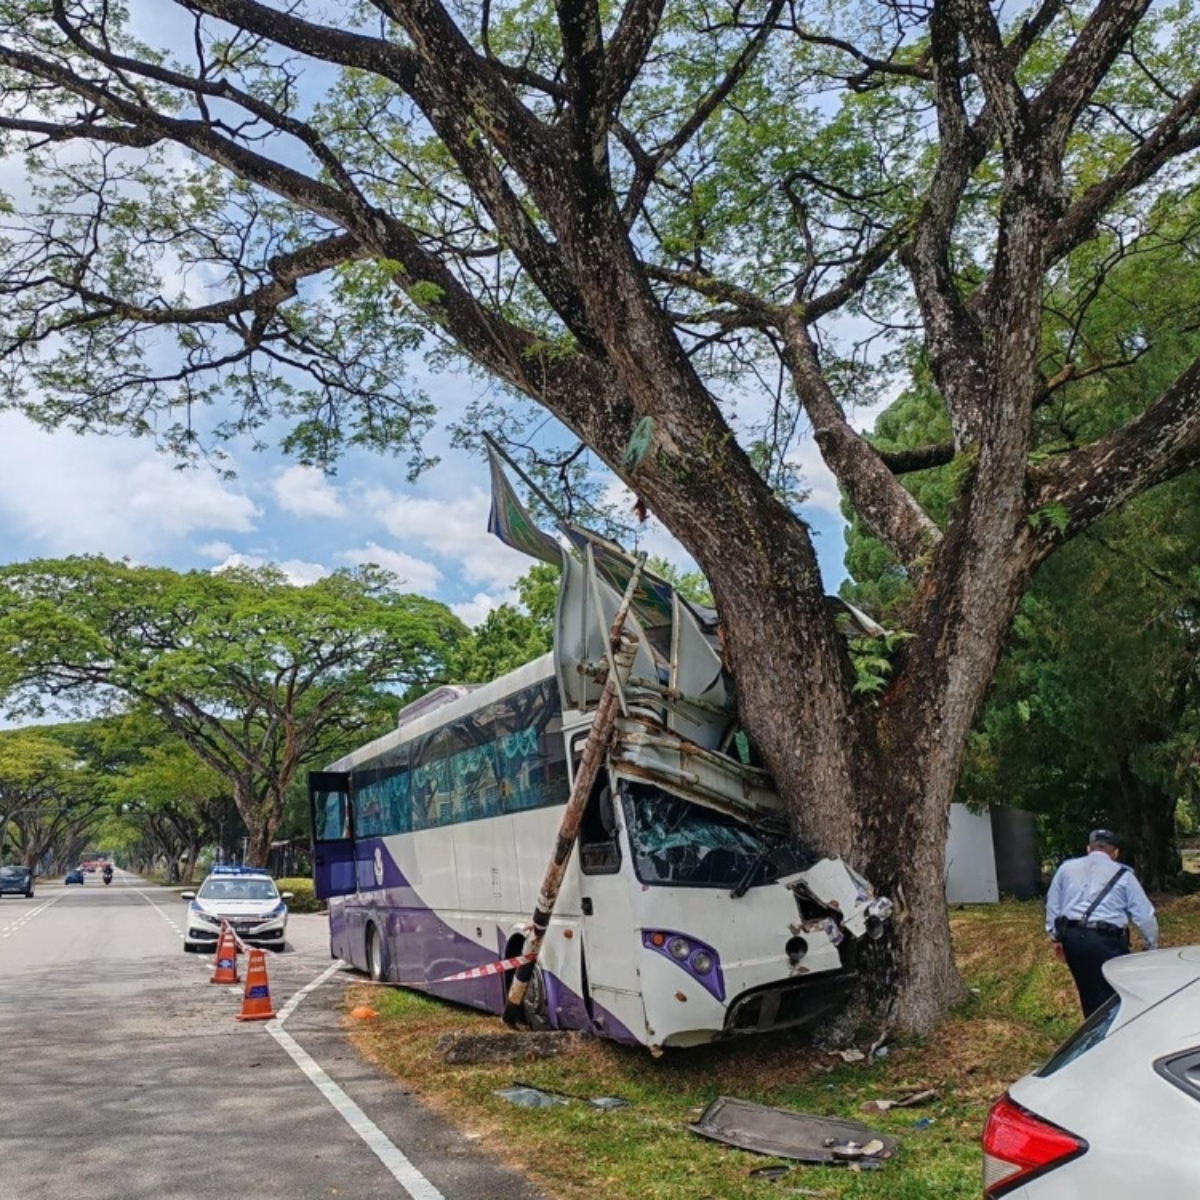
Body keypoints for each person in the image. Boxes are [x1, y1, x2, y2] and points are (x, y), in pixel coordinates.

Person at [1046, 829, 1158, 1017]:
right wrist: (1151, 945)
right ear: (1115, 852)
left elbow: (1053, 905)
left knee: (1087, 992)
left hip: (1072, 939)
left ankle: (1093, 1034)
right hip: (1105, 940)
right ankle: (1112, 1037)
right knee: (1114, 995)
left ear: (1089, 848)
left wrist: (1056, 938)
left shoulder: (1066, 869)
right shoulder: (1124, 874)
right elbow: (1145, 916)